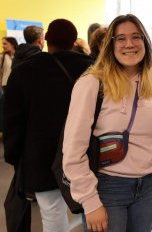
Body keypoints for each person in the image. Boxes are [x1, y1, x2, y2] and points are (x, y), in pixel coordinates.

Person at [62, 14, 152, 232]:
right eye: (120, 38)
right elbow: (73, 149)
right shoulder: (92, 84)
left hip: (149, 187)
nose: (129, 44)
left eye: (136, 37)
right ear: (110, 45)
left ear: (146, 42)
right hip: (107, 187)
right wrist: (90, 200)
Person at [3, 18, 94, 232]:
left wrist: (15, 157)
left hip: (40, 154)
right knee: (90, 208)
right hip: (84, 152)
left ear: (46, 40)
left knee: (52, 213)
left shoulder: (24, 71)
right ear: (74, 40)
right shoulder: (91, 69)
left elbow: (12, 120)